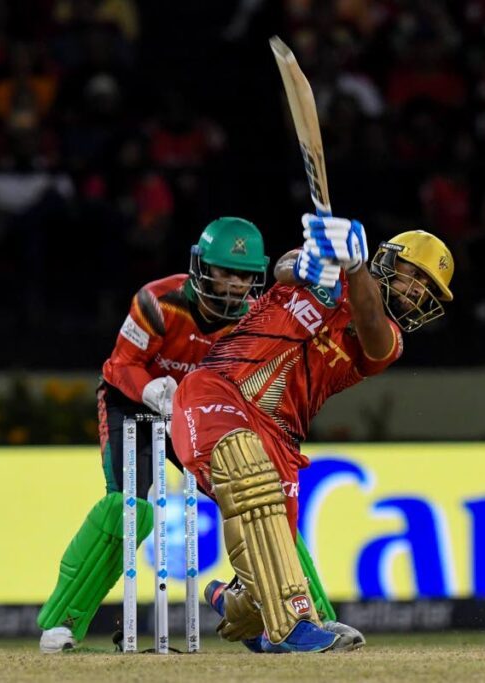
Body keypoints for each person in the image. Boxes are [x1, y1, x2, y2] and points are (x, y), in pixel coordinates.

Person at [169, 213, 455, 653]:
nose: (416, 289)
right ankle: (294, 628)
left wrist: (355, 269)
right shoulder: (326, 271)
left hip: (280, 439)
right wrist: (308, 265)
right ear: (388, 260)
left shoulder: (388, 337)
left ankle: (235, 606)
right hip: (217, 388)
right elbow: (283, 267)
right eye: (412, 273)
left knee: (270, 566)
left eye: (427, 289)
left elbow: (373, 332)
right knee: (247, 470)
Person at [37, 216, 268, 652]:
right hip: (132, 398)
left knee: (254, 494)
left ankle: (301, 615)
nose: (236, 285)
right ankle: (63, 623)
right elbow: (120, 365)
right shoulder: (158, 300)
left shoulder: (255, 320)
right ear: (202, 267)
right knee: (129, 507)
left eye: (245, 276)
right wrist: (149, 389)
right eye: (226, 272)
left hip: (196, 409)